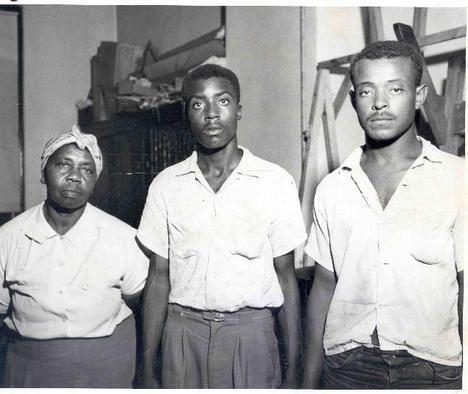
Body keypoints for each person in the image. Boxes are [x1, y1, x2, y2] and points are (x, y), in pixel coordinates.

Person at [303, 40, 463, 389]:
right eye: (366, 91)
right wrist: (308, 383)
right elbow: (323, 287)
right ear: (353, 99)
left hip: (433, 369)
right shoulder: (333, 187)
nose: (379, 103)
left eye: (395, 89)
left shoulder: (456, 178)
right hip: (347, 366)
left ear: (419, 96)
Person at [136, 64, 307, 389]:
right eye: (199, 104)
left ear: (239, 110)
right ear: (187, 114)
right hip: (182, 336)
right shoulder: (166, 185)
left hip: (251, 337)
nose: (211, 114)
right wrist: (145, 368)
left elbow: (286, 276)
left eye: (223, 101)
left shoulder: (274, 182)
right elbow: (158, 277)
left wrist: (294, 367)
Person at [0, 126, 149, 388]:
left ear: (95, 181)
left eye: (87, 170)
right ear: (44, 172)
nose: (74, 177)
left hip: (108, 363)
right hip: (32, 364)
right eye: (63, 165)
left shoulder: (123, 237)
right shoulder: (5, 240)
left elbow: (136, 300)